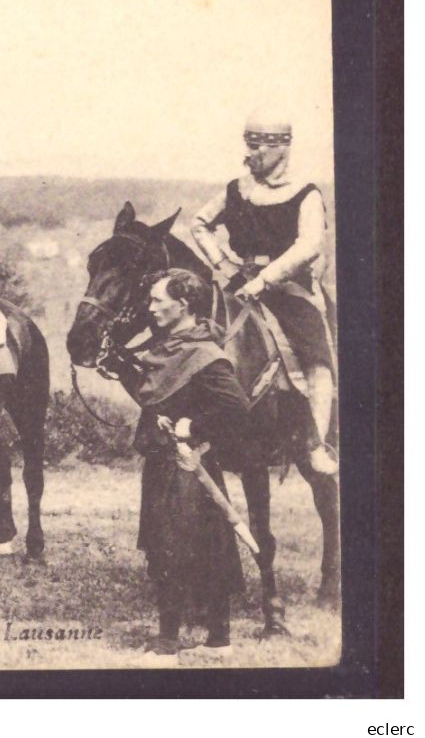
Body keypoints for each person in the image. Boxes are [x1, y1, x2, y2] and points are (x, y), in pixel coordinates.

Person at [190, 108, 338, 475]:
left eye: (259, 146)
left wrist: (266, 279)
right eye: (249, 144)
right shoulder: (237, 189)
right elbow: (199, 223)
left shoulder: (304, 194)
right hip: (240, 282)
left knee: (316, 357)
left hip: (288, 287)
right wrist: (223, 264)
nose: (251, 153)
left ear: (281, 148)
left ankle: (316, 444)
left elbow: (309, 246)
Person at [114, 269, 250, 662]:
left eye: (158, 300)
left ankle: (168, 646)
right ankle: (217, 641)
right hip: (164, 466)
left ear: (184, 305)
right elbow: (156, 397)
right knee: (188, 548)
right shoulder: (168, 348)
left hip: (191, 469)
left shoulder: (204, 354)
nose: (150, 307)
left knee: (178, 550)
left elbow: (237, 407)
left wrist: (196, 425)